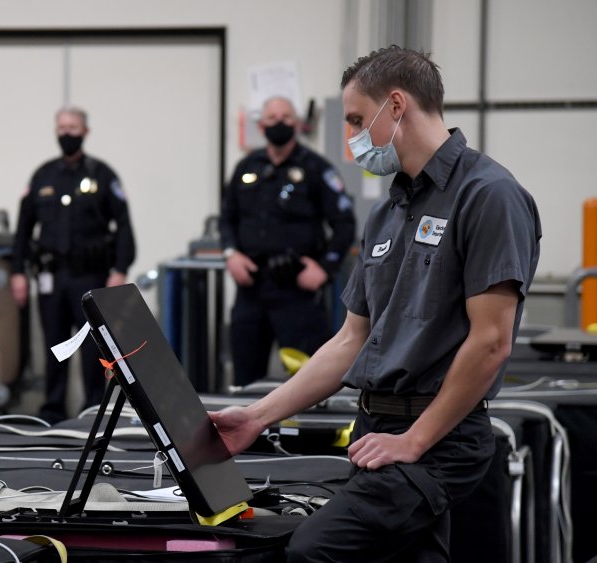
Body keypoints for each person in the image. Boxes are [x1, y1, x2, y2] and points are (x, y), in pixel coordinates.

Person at [210, 46, 541, 562]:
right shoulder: (389, 212)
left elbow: (492, 341)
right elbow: (351, 340)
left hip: (438, 438)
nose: (352, 138)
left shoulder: (488, 194)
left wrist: (413, 440)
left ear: (396, 105)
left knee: (310, 550)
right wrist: (257, 417)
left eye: (357, 120)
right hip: (375, 430)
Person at [10, 106, 136, 423]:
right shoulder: (43, 176)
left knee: (92, 347)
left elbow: (123, 227)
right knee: (56, 346)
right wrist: (17, 273)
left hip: (89, 277)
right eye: (62, 127)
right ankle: (53, 409)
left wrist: (119, 270)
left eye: (73, 127)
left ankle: (92, 409)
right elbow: (23, 230)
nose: (67, 133)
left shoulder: (102, 175)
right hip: (51, 277)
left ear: (85, 132)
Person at [221, 96, 356, 387]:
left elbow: (345, 225)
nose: (279, 123)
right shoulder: (246, 166)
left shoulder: (317, 169)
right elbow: (227, 219)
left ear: (297, 124)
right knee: (244, 380)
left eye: (285, 117)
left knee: (309, 381)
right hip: (251, 290)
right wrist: (231, 254)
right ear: (260, 125)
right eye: (271, 118)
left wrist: (324, 268)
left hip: (297, 293)